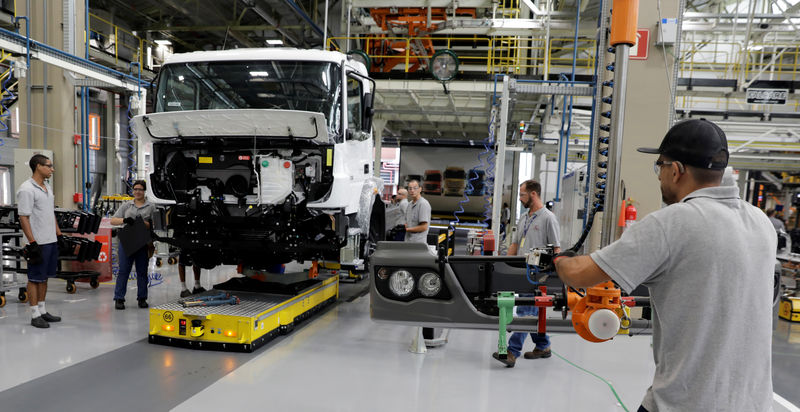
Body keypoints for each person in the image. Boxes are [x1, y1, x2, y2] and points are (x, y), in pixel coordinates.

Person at [553, 119, 776, 412]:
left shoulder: (671, 223)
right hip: (755, 404)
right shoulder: (761, 222)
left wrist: (558, 258)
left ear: (676, 170)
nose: (658, 175)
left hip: (687, 403)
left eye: (659, 165)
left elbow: (580, 276)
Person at [492, 180, 560, 367]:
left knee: (525, 310)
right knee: (533, 310)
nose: (520, 198)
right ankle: (543, 345)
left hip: (539, 272)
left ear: (533, 194)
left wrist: (554, 274)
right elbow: (515, 243)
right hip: (522, 270)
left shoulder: (548, 218)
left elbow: (556, 248)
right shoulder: (524, 218)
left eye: (522, 194)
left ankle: (512, 352)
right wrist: (503, 265)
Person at [17, 154, 63, 328]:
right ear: (38, 166)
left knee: (44, 278)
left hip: (50, 240)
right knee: (35, 278)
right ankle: (35, 314)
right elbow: (23, 218)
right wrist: (32, 242)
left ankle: (43, 310)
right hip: (37, 242)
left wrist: (59, 235)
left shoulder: (46, 187)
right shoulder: (27, 189)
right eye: (49, 166)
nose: (52, 169)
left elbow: (50, 213)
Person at [110, 180, 155, 310]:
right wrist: (125, 220)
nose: (137, 192)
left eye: (140, 189)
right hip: (127, 242)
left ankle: (142, 298)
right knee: (123, 270)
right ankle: (119, 298)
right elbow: (113, 220)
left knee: (142, 271)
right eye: (135, 189)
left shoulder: (151, 206)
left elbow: (156, 224)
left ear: (144, 191)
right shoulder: (126, 205)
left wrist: (145, 224)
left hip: (142, 242)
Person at [404, 179, 435, 341]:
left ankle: (421, 311)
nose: (412, 190)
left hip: (418, 248)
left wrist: (408, 229)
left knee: (418, 280)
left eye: (415, 188)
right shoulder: (410, 205)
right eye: (409, 188)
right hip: (409, 247)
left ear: (420, 189)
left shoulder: (423, 204)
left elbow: (424, 226)